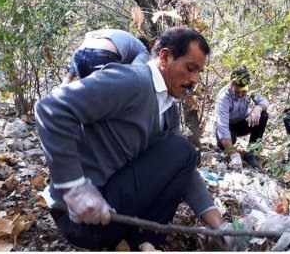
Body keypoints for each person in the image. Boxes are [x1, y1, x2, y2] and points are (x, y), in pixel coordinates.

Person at [35, 27, 230, 250]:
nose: (194, 79)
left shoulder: (169, 109)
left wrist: (218, 225)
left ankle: (142, 244)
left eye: (198, 72)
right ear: (165, 57)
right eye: (190, 68)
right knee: (183, 150)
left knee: (182, 155)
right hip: (82, 219)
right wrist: (74, 188)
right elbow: (50, 108)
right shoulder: (133, 81)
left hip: (112, 217)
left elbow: (183, 169)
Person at [215, 68, 269, 169]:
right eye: (236, 92)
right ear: (231, 85)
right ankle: (230, 151)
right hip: (228, 126)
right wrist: (234, 154)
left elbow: (265, 102)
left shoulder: (251, 89)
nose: (240, 95)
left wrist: (258, 108)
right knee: (226, 143)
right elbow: (222, 127)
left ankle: (251, 153)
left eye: (243, 92)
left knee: (263, 116)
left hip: (243, 123)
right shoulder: (223, 98)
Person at [61, 29, 150, 85]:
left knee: (90, 95)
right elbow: (136, 73)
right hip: (101, 56)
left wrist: (68, 79)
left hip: (79, 56)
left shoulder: (124, 38)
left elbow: (80, 51)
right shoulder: (143, 50)